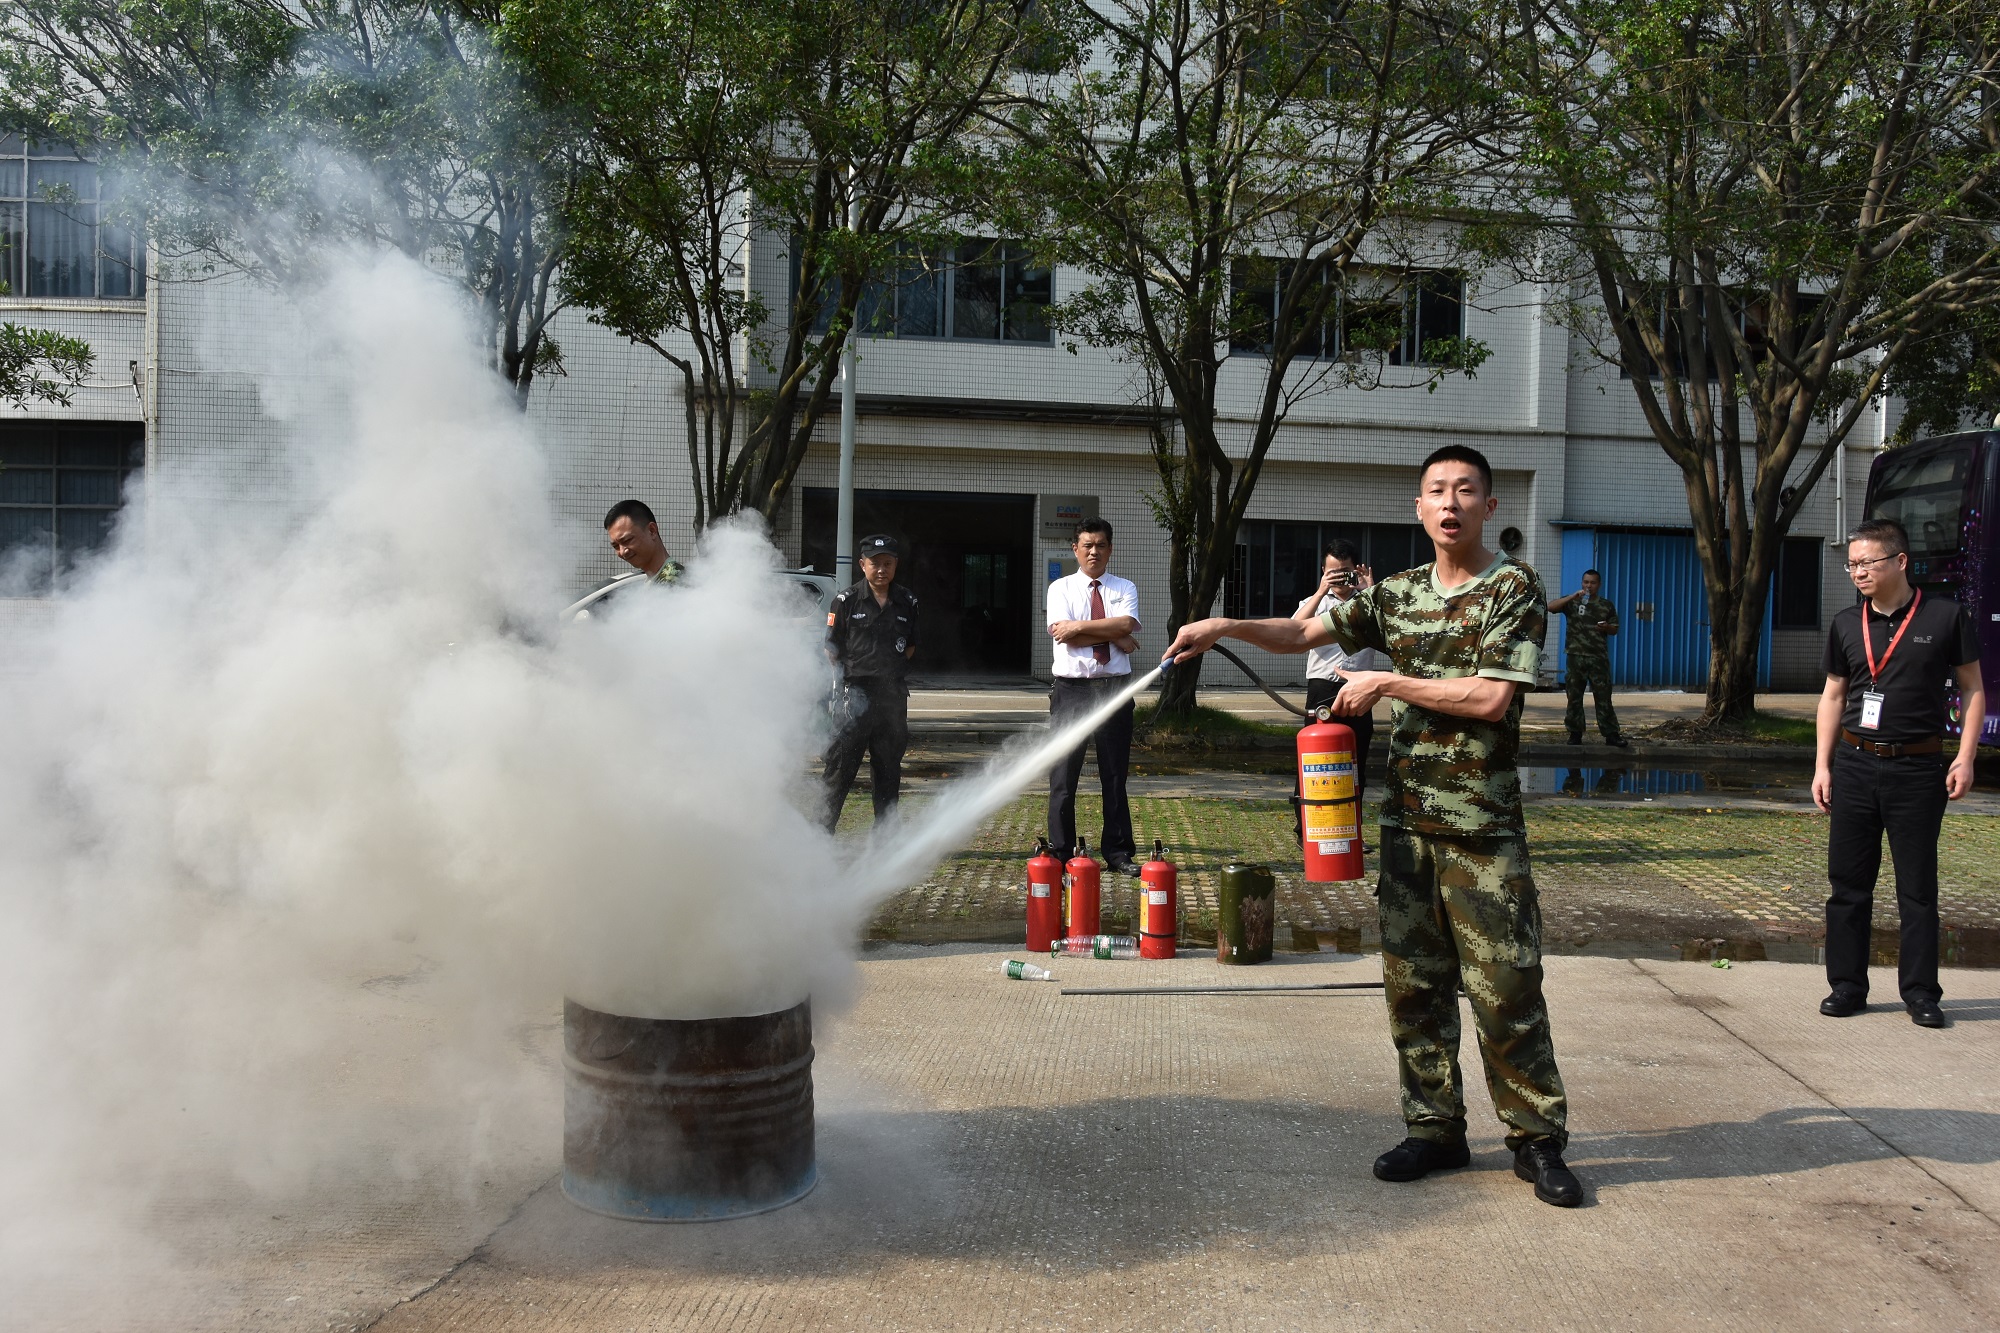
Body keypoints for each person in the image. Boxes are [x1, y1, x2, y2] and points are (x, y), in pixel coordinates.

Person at [1161, 444, 1581, 1209]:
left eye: (1464, 490)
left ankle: (1537, 1137)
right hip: (1408, 823)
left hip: (1482, 828)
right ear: (1417, 509)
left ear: (1490, 507)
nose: (1449, 502)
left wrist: (1386, 680)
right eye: (1435, 491)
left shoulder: (1513, 587)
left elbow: (1492, 699)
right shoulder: (1396, 593)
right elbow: (1304, 637)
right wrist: (1224, 624)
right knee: (1413, 987)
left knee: (1507, 984)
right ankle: (1434, 1128)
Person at [1813, 518, 1983, 1029]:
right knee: (1848, 884)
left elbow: (1974, 690)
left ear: (1900, 561)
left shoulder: (1946, 616)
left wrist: (1966, 756)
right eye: (1853, 564)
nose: (1858, 572)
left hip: (1917, 768)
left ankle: (1922, 993)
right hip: (1856, 764)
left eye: (1868, 562)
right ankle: (1847, 985)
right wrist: (1823, 765)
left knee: (1916, 888)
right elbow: (1833, 695)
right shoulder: (1846, 623)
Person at [1047, 518, 1143, 875]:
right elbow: (1063, 635)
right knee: (1063, 775)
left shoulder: (1124, 587)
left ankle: (1118, 853)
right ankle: (1061, 852)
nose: (1094, 552)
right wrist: (1113, 634)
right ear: (1075, 549)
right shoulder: (1061, 588)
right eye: (1087, 545)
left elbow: (1124, 624)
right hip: (1071, 691)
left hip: (1114, 691)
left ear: (1110, 549)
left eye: (1101, 545)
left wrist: (1086, 628)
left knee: (1115, 776)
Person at [822, 534, 920, 832]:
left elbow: (911, 646)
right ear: (862, 564)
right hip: (855, 698)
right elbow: (831, 650)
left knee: (889, 769)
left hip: (892, 698)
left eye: (887, 563)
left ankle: (885, 837)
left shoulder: (908, 601)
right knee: (840, 769)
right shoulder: (846, 601)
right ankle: (820, 834)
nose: (881, 569)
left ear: (895, 565)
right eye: (875, 564)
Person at [1292, 539, 1388, 821]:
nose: (1339, 578)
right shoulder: (1315, 603)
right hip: (1322, 688)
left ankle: (1351, 829)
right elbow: (1292, 629)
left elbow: (1391, 632)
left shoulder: (1368, 603)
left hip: (1361, 689)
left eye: (1344, 572)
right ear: (1323, 571)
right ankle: (1306, 830)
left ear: (1356, 571)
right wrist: (1321, 591)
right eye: (1332, 572)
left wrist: (1371, 591)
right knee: (1315, 759)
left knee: (1355, 762)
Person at [1548, 569, 1627, 747]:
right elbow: (1551, 607)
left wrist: (1606, 628)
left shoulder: (1606, 605)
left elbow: (1615, 629)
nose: (1588, 586)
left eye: (1592, 583)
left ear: (1598, 585)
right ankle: (1575, 734)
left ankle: (1611, 735)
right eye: (1585, 582)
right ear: (1582, 583)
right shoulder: (1572, 602)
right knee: (1574, 697)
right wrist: (1571, 597)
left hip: (1598, 657)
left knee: (1603, 697)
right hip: (1575, 656)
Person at [603, 499, 685, 584]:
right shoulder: (654, 580)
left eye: (627, 540)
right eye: (616, 546)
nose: (623, 552)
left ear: (652, 531)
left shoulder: (675, 580)